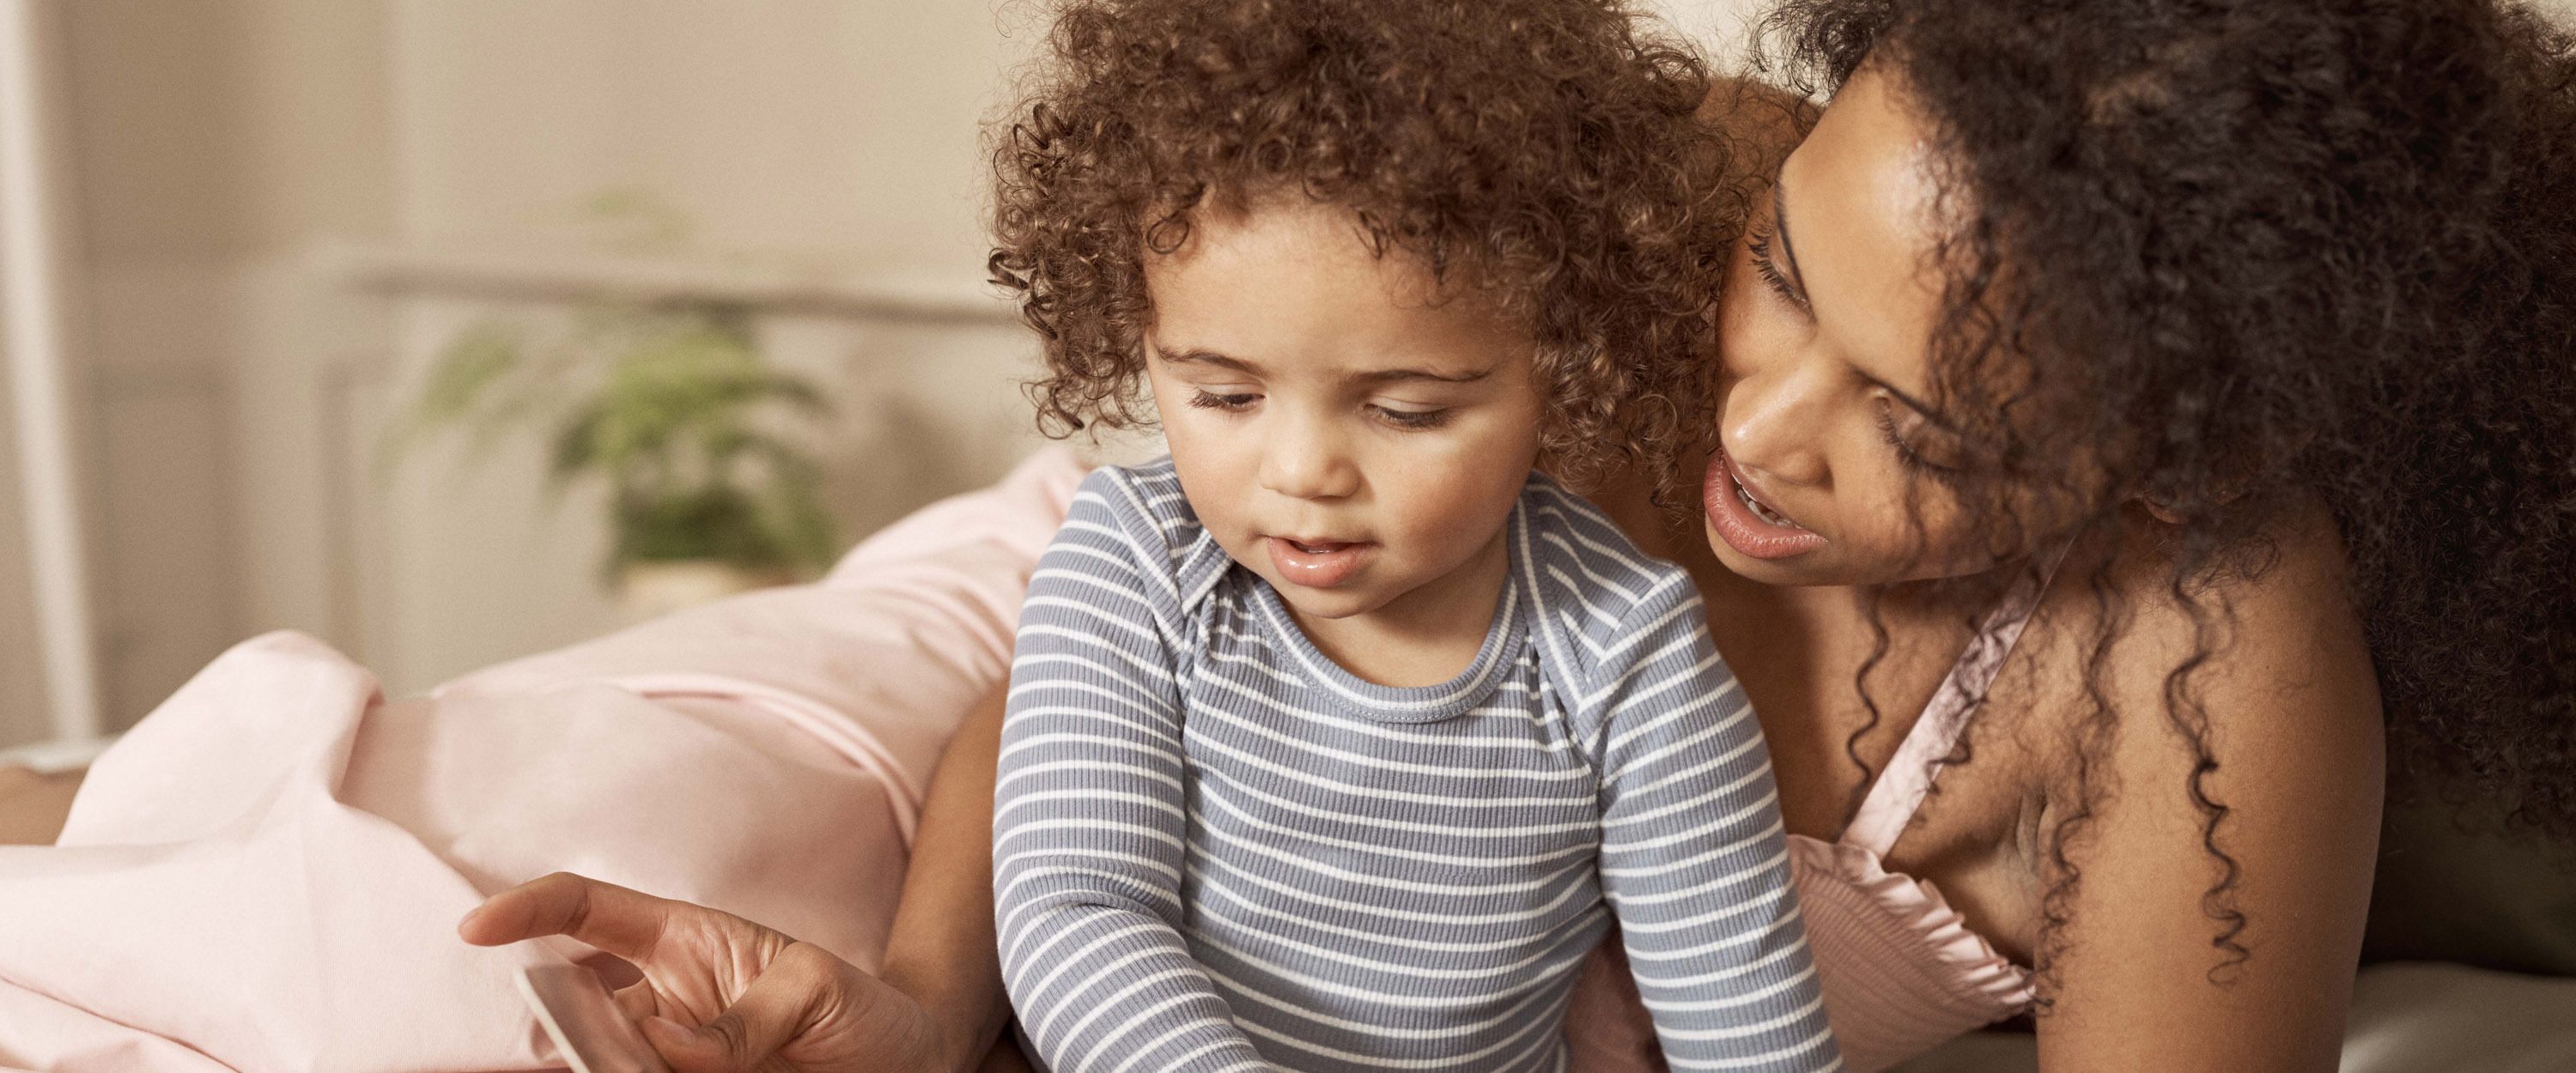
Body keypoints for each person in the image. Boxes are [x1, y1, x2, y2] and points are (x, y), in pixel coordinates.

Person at [461, 0, 2576, 1070]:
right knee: (563, 840)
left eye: (1912, 416)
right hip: (1120, 605)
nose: (1749, 422)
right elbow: (1099, 697)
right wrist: (929, 1007)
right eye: (1778, 266)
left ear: (2168, 461)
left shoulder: (2205, 678)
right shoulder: (1637, 214)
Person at [981, 1, 1837, 1069]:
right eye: (1224, 396)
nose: (1302, 473)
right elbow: (1077, 911)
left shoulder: (1626, 650)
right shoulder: (1133, 565)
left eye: (1407, 410)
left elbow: (1743, 1021)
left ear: (1565, 365)